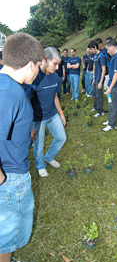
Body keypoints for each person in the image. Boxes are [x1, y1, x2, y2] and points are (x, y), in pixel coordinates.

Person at [0, 32, 45, 262]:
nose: (38, 72)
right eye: (38, 66)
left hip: (9, 166)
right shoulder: (10, 93)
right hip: (10, 174)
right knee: (8, 226)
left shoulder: (6, 86)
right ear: (30, 64)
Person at [25, 47, 66, 178]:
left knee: (61, 137)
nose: (57, 67)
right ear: (45, 60)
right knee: (39, 144)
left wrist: (61, 113)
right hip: (38, 119)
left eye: (59, 64)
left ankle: (49, 157)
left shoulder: (55, 76)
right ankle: (40, 166)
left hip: (53, 114)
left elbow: (54, 96)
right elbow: (27, 102)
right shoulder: (34, 78)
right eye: (55, 64)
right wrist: (29, 125)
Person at [88, 40, 106, 117]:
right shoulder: (95, 56)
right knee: (95, 94)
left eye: (91, 49)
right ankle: (96, 107)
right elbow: (95, 67)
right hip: (96, 78)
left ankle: (100, 111)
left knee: (99, 95)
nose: (90, 51)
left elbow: (104, 69)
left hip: (100, 79)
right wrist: (93, 78)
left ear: (95, 47)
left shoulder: (101, 56)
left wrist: (101, 81)